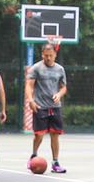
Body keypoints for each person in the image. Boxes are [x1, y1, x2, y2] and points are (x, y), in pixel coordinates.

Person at [26, 41, 68, 173]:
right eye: (45, 55)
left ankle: (55, 162)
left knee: (55, 135)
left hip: (55, 107)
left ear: (55, 54)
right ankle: (34, 155)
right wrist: (31, 100)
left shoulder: (60, 69)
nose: (48, 58)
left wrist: (59, 94)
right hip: (40, 106)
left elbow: (63, 87)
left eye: (50, 55)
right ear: (42, 54)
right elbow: (29, 85)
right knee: (39, 135)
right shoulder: (36, 68)